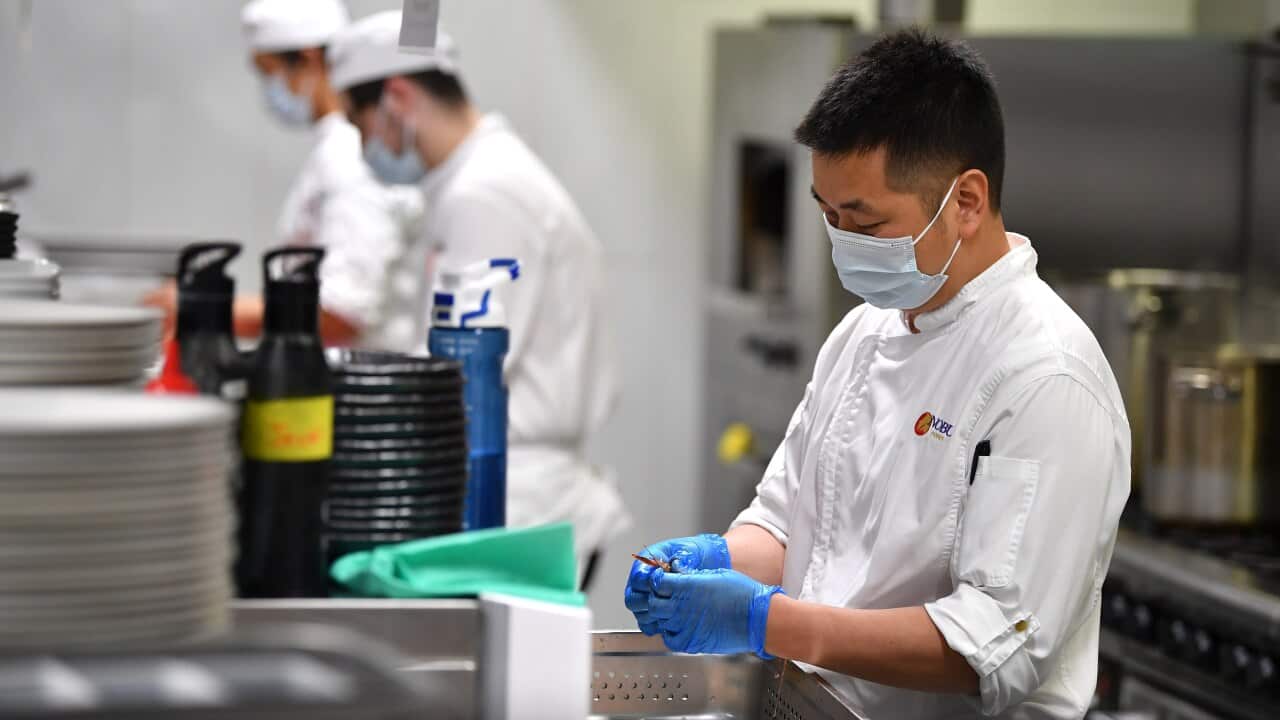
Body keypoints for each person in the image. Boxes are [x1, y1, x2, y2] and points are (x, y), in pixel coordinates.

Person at [625, 30, 1130, 719]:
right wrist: (709, 563)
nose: (842, 243)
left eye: (864, 221)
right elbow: (787, 525)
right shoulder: (866, 331)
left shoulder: (1047, 378)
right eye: (829, 216)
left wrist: (765, 622)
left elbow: (992, 647)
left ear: (967, 202)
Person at [326, 11, 629, 587]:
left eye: (360, 124)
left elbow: (458, 378)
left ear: (396, 97)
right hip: (506, 491)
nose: (365, 147)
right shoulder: (468, 184)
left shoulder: (486, 193)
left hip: (514, 503)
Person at [147, 0, 428, 352]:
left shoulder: (351, 156)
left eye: (270, 73)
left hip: (359, 388)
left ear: (309, 60)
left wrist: (203, 308)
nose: (270, 90)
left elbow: (343, 311)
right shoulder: (336, 150)